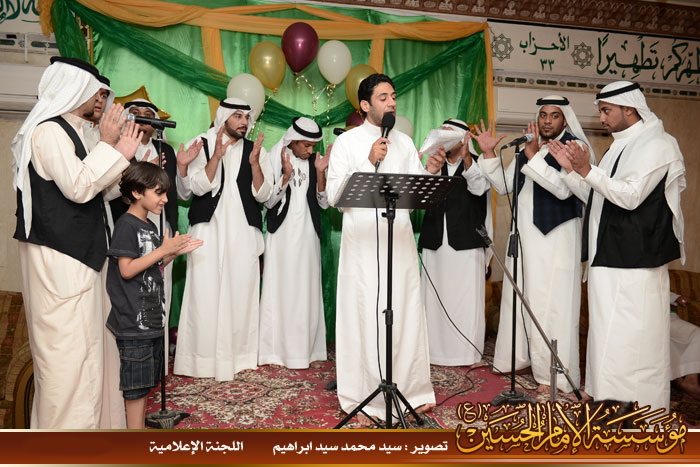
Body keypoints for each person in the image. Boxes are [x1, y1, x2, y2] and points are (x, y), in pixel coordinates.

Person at [11, 56, 142, 428]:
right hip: (60, 264)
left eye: (103, 94)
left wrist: (121, 157)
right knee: (68, 367)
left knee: (94, 360)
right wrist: (112, 149)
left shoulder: (80, 134)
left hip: (84, 261)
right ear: (72, 89)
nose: (101, 100)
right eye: (95, 93)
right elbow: (79, 187)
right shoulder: (48, 132)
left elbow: (100, 192)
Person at [548, 81, 685, 411]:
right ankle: (609, 404)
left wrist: (586, 169)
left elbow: (631, 196)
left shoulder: (658, 144)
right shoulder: (617, 147)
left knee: (635, 344)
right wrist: (572, 172)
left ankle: (642, 414)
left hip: (636, 263)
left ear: (629, 108)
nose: (602, 118)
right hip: (607, 258)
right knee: (607, 339)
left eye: (606, 111)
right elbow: (598, 196)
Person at [326, 73, 445, 425]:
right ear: (365, 105)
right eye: (383, 97)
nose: (392, 102)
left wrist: (430, 173)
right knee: (365, 313)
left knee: (403, 312)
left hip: (400, 243)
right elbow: (334, 196)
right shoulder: (347, 143)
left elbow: (415, 192)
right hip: (362, 246)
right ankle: (364, 397)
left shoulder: (404, 142)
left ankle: (411, 391)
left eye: (393, 96)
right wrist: (368, 161)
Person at [474, 95, 595, 394]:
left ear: (565, 119)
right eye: (543, 115)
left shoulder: (576, 148)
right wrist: (489, 154)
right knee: (524, 301)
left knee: (552, 305)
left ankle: (553, 374)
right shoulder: (532, 146)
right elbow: (504, 185)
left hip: (556, 239)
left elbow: (564, 190)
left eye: (554, 115)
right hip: (525, 239)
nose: (547, 121)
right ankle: (524, 361)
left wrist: (532, 158)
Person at [173, 98, 273, 381]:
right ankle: (200, 361)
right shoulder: (201, 144)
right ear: (224, 117)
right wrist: (215, 157)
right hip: (208, 231)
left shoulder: (256, 150)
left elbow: (264, 195)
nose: (244, 122)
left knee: (241, 293)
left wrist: (254, 164)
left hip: (243, 232)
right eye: (238, 116)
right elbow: (194, 189)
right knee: (204, 293)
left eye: (247, 117)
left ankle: (239, 358)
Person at [106, 162, 202, 429]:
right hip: (133, 325)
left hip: (151, 322)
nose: (165, 199)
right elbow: (126, 270)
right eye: (159, 193)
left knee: (145, 388)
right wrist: (163, 250)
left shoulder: (148, 225)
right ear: (137, 192)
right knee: (136, 392)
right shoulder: (126, 225)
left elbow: (152, 266)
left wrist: (172, 253)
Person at [418, 119, 491, 366]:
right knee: (434, 300)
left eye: (449, 134)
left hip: (467, 244)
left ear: (463, 139)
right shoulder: (433, 163)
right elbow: (420, 196)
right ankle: (434, 352)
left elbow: (479, 188)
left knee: (466, 302)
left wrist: (468, 159)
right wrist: (430, 170)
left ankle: (467, 354)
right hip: (435, 242)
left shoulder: (478, 163)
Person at [258, 117, 330, 369]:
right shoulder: (273, 156)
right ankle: (276, 352)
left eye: (313, 146)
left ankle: (306, 351)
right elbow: (267, 202)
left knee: (306, 289)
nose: (310, 150)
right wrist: (286, 176)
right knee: (281, 288)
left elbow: (324, 203)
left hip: (309, 235)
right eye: (306, 145)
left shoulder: (315, 161)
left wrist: (320, 173)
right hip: (281, 235)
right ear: (293, 141)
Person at [669, 293, 700, 401]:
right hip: (644, 318)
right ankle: (689, 381)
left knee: (671, 340)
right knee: (695, 334)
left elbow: (657, 290)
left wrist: (676, 297)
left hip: (662, 316)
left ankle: (684, 384)